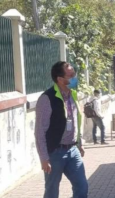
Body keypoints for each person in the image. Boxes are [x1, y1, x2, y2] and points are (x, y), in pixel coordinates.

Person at [35, 61, 88, 198]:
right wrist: (44, 158)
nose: (74, 78)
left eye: (74, 74)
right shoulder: (47, 98)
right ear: (60, 79)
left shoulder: (73, 95)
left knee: (82, 187)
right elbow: (40, 130)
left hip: (72, 150)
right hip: (55, 153)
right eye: (71, 75)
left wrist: (79, 143)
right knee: (52, 191)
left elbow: (76, 121)